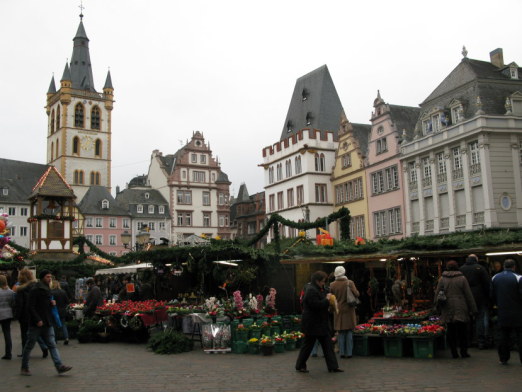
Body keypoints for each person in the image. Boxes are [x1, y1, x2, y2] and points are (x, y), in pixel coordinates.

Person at [21, 269, 72, 376]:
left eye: (50, 277)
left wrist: (51, 303)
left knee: (52, 345)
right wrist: (37, 319)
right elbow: (30, 307)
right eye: (47, 277)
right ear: (42, 278)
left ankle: (59, 366)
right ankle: (24, 367)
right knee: (29, 345)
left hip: (47, 322)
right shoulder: (35, 290)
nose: (49, 279)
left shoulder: (47, 289)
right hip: (36, 324)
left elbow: (45, 305)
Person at [295, 271, 343, 373]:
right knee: (307, 346)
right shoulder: (311, 290)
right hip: (312, 323)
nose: (324, 283)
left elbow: (325, 302)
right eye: (322, 281)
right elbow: (315, 305)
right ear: (317, 281)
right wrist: (327, 299)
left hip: (321, 323)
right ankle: (300, 365)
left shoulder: (321, 289)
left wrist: (330, 301)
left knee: (328, 345)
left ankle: (333, 366)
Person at [434, 260, 477, 359]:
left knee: (451, 330)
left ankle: (454, 352)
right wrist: (473, 309)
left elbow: (437, 294)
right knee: (462, 331)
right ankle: (463, 352)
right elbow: (468, 295)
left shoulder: (442, 279)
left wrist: (436, 306)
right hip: (460, 306)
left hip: (447, 307)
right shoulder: (462, 278)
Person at [490, 258, 522, 365]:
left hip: (502, 311)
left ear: (503, 266)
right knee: (520, 336)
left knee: (503, 336)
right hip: (518, 312)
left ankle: (503, 358)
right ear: (514, 267)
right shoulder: (518, 278)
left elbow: (491, 295)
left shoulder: (495, 278)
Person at [14, 268, 48, 358]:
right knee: (36, 332)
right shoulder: (36, 286)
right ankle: (44, 347)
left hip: (25, 314)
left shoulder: (21, 289)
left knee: (25, 333)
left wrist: (17, 315)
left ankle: (25, 352)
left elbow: (19, 304)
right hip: (35, 314)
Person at [460, 254, 491, 349]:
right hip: (479, 297)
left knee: (466, 319)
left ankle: (467, 341)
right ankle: (481, 341)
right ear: (476, 259)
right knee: (480, 318)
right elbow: (487, 284)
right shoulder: (480, 268)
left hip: (465, 297)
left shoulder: (461, 269)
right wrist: (488, 297)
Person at [329, 266, 360, 359]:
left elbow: (331, 298)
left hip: (338, 310)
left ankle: (342, 352)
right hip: (349, 310)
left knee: (341, 332)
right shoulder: (349, 282)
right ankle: (349, 352)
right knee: (349, 331)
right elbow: (357, 294)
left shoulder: (332, 284)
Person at [0, 275, 15, 359]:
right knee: (7, 333)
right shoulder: (11, 292)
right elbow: (13, 303)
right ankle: (8, 353)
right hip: (8, 313)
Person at [51, 280, 70, 345]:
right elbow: (67, 301)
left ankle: (55, 339)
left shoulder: (51, 292)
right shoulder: (63, 292)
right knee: (63, 324)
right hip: (62, 310)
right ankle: (66, 337)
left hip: (54, 310)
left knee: (54, 325)